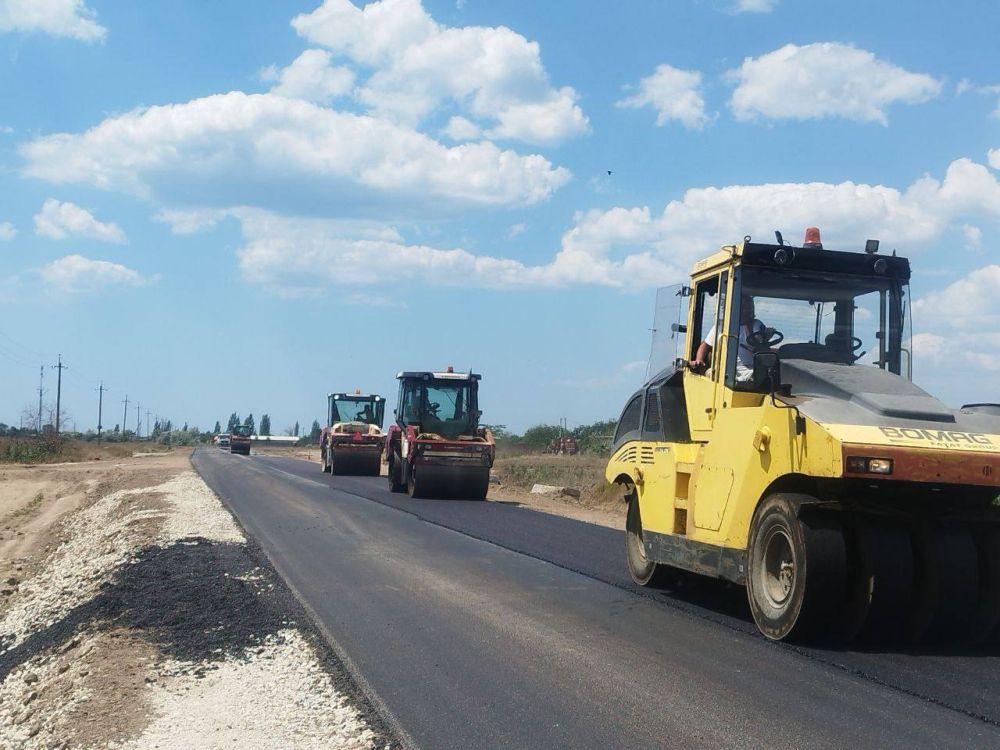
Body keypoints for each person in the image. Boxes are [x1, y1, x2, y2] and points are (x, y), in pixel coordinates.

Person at [691, 295, 771, 382]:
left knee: (759, 377)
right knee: (712, 374)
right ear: (735, 308)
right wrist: (699, 360)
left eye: (749, 307)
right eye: (744, 307)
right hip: (723, 368)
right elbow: (705, 345)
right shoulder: (721, 326)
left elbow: (761, 347)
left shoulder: (756, 325)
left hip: (748, 368)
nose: (747, 311)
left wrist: (766, 338)